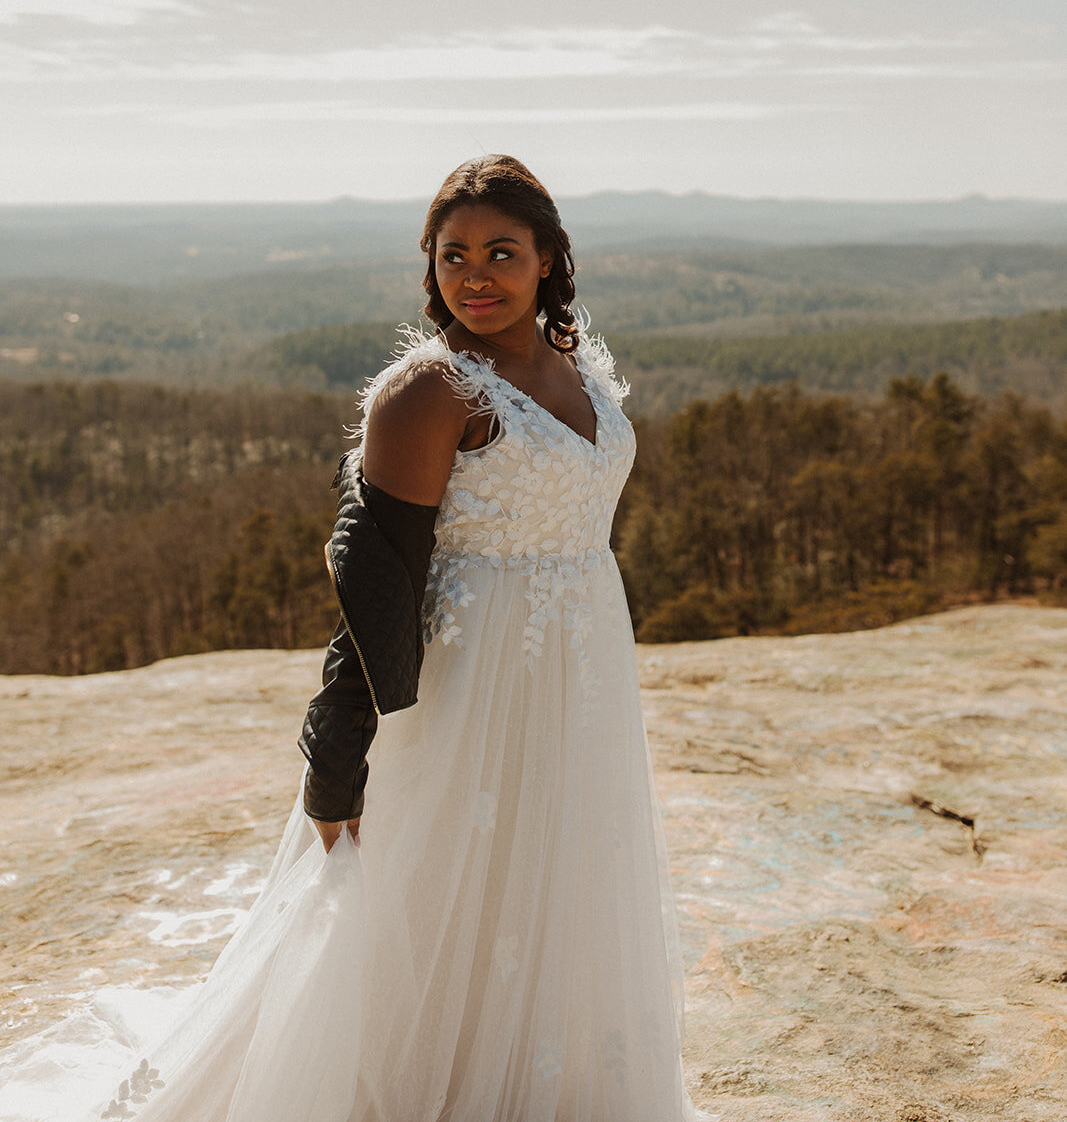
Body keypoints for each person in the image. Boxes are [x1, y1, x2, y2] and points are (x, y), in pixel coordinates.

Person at [65, 154, 706, 1122]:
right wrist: (335, 750)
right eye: (452, 255)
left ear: (548, 259)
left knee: (559, 869)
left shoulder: (573, 364)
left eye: (500, 251)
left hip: (580, 665)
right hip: (464, 673)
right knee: (428, 882)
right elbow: (373, 572)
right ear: (428, 266)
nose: (475, 275)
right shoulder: (426, 391)